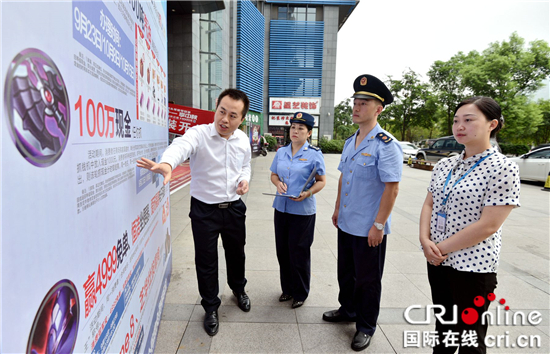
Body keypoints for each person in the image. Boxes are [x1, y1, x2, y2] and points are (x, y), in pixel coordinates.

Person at [136, 88, 252, 337]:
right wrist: (167, 164)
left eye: (233, 115)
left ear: (241, 119)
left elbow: (246, 165)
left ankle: (238, 289)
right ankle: (210, 307)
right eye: (222, 111)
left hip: (234, 209)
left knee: (236, 254)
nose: (225, 119)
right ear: (216, 107)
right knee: (206, 261)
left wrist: (245, 180)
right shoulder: (199, 133)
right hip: (204, 211)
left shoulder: (243, 140)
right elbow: (180, 146)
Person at [419, 97, 520, 353]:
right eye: (456, 120)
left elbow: (488, 225)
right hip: (438, 261)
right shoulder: (445, 164)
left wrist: (439, 247)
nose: (459, 126)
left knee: (469, 338)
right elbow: (429, 204)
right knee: (443, 330)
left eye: (468, 120)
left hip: (473, 268)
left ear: (492, 124)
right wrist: (424, 240)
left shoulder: (503, 167)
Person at [322, 74, 403, 352]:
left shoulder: (386, 144)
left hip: (370, 226)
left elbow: (392, 189)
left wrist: (379, 225)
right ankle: (348, 310)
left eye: (364, 103)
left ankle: (366, 326)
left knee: (368, 280)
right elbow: (344, 178)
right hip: (346, 222)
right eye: (355, 102)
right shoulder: (350, 141)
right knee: (346, 272)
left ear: (378, 109)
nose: (357, 107)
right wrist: (336, 210)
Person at [269, 112, 326, 309]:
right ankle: (287, 289)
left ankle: (301, 292)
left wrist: (308, 193)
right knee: (283, 251)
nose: (296, 131)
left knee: (299, 252)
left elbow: (321, 181)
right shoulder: (281, 152)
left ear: (309, 133)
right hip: (282, 208)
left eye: (301, 128)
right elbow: (274, 175)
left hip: (302, 212)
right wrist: (277, 184)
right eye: (293, 127)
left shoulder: (314, 154)